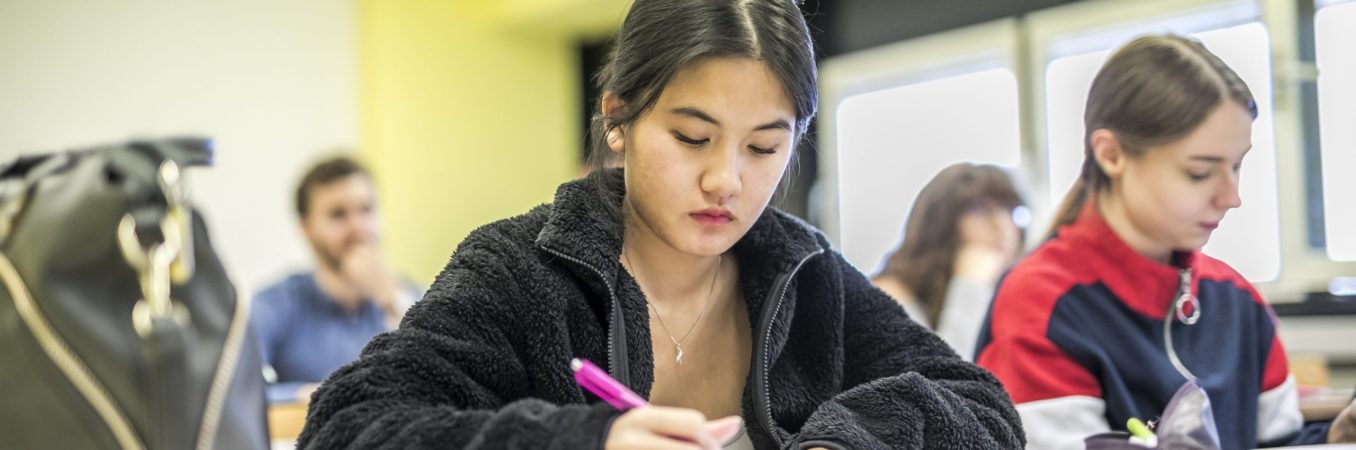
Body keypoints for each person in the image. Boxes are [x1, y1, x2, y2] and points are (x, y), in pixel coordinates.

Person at [296, 1, 1024, 449]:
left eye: (764, 147)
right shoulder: (519, 272)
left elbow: (982, 410)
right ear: (618, 119)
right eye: (692, 137)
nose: (726, 181)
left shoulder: (808, 276)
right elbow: (345, 429)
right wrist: (590, 440)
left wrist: (844, 443)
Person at [974, 34, 1355, 449]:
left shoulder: (1238, 302)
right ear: (1111, 154)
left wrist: (1336, 436)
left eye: (1236, 165)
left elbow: (1278, 442)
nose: (1231, 197)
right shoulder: (1040, 305)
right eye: (1199, 172)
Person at [250, 156, 420, 404]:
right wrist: (321, 395)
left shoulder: (411, 297)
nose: (358, 228)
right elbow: (241, 393)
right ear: (306, 228)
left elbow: (453, 378)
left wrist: (393, 300)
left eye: (366, 210)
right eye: (338, 215)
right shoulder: (274, 304)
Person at [871, 162, 1025, 360]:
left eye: (1011, 211)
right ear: (940, 224)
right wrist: (970, 285)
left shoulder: (1010, 289)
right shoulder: (888, 294)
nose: (1003, 226)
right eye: (980, 209)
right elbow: (941, 379)